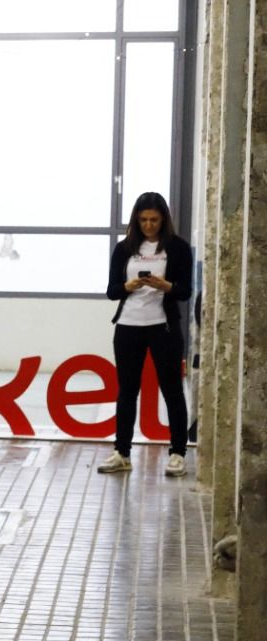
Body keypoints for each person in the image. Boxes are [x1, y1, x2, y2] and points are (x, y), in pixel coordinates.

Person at [97, 192, 194, 477]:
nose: (149, 225)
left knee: (172, 391)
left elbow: (185, 291)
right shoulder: (124, 248)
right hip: (128, 326)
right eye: (143, 220)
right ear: (136, 221)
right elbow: (112, 291)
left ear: (163, 219)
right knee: (127, 391)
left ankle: (178, 453)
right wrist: (130, 285)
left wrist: (165, 286)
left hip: (163, 327)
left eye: (153, 220)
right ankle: (122, 452)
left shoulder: (177, 248)